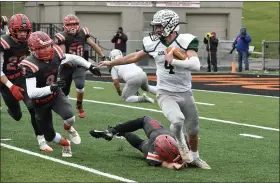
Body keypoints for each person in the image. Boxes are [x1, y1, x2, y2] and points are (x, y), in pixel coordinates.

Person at [98, 9, 210, 169]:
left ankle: (195, 157)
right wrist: (112, 63)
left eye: (159, 26)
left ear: (170, 26)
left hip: (185, 92)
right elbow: (134, 57)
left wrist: (173, 62)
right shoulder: (152, 43)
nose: (156, 29)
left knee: (193, 128)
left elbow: (196, 65)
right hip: (165, 92)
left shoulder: (185, 40)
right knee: (177, 121)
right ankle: (181, 143)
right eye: (156, 26)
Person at [20, 31, 102, 157]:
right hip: (40, 102)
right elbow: (31, 93)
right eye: (42, 48)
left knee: (70, 117)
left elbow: (74, 58)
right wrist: (50, 88)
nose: (46, 50)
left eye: (48, 46)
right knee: (50, 137)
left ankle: (68, 128)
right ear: (33, 50)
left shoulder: (56, 53)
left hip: (55, 95)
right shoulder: (30, 64)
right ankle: (66, 144)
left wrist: (90, 66)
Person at [0, 14, 52, 152]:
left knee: (33, 107)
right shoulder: (3, 43)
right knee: (17, 116)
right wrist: (11, 87)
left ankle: (42, 141)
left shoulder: (31, 41)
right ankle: (11, 110)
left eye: (25, 31)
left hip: (23, 77)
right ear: (12, 30)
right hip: (5, 81)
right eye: (20, 31)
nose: (23, 34)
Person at [54, 14, 106, 118]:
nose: (72, 27)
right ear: (64, 26)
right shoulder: (62, 37)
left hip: (80, 65)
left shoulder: (82, 33)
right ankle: (67, 110)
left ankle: (79, 105)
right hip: (66, 67)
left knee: (80, 85)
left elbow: (94, 45)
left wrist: (102, 56)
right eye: (69, 24)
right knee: (64, 91)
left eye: (75, 24)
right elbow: (62, 54)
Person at [90, 116, 187, 170]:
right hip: (159, 136)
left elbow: (163, 162)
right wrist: (171, 164)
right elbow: (165, 163)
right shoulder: (155, 152)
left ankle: (115, 131)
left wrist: (171, 164)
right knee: (140, 144)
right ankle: (120, 132)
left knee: (144, 120)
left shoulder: (153, 154)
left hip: (159, 135)